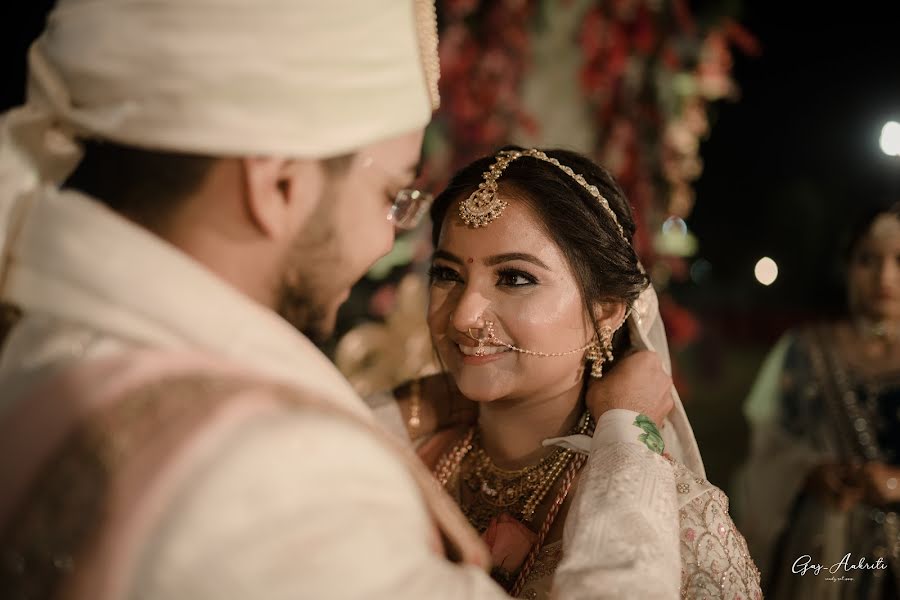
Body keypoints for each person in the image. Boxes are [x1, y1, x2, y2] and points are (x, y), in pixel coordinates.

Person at [0, 2, 683, 599]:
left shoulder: (37, 343)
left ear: (609, 310)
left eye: (514, 277)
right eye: (392, 197)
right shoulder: (294, 473)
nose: (384, 239)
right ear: (279, 186)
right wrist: (629, 436)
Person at [376, 147, 761, 598]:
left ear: (606, 312)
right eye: (446, 274)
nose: (462, 317)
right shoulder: (399, 457)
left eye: (514, 278)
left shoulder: (683, 524)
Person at [733, 201, 900, 599]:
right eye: (868, 260)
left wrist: (894, 482)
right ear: (846, 266)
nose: (885, 276)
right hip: (819, 556)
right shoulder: (803, 349)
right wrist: (809, 473)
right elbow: (766, 449)